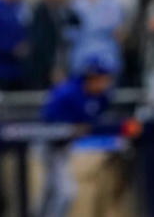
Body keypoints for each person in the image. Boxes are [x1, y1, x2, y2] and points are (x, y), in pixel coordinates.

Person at [39, 54, 119, 217]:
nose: (106, 82)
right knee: (65, 192)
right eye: (102, 78)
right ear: (92, 78)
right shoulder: (66, 93)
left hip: (68, 147)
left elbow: (97, 123)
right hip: (50, 146)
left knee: (52, 191)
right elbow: (47, 121)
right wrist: (72, 128)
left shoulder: (103, 96)